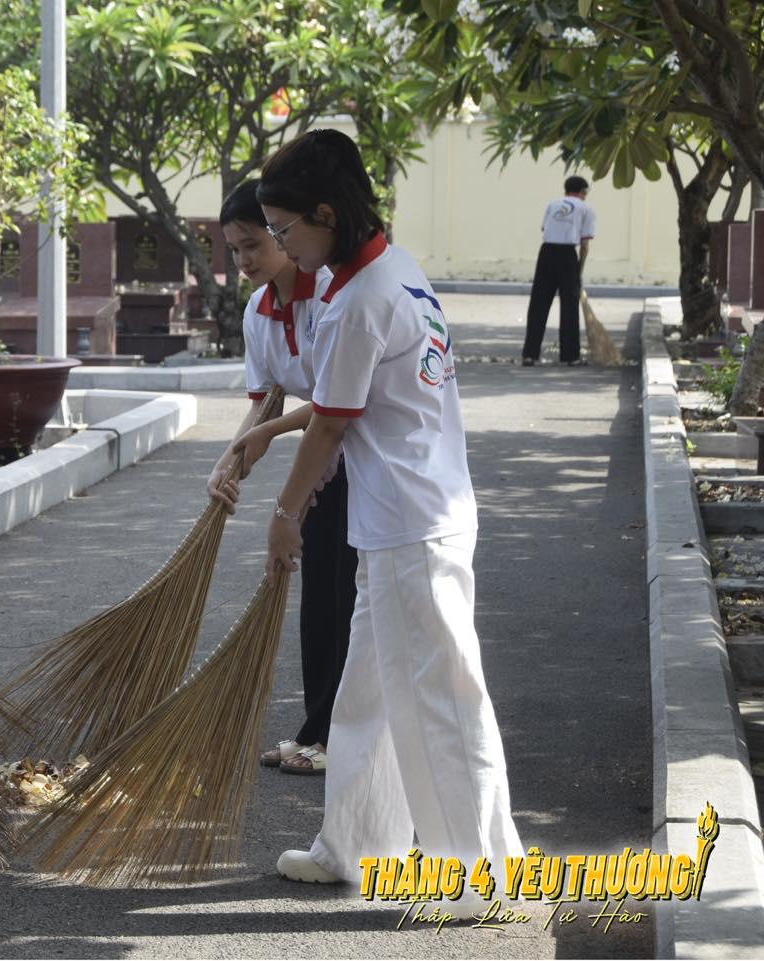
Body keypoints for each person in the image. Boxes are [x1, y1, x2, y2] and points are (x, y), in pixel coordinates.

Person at [250, 129, 523, 885]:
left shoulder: (361, 299)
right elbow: (334, 413)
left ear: (326, 214)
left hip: (411, 525)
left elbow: (331, 421)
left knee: (441, 700)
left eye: (283, 230)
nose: (280, 246)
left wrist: (283, 516)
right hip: (413, 515)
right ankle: (356, 842)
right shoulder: (391, 271)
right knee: (365, 693)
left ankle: (480, 873)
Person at [207, 178, 356, 777]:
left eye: (252, 245)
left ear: (283, 235)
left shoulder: (331, 294)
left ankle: (340, 735)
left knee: (348, 595)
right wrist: (230, 463)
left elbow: (337, 402)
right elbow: (265, 403)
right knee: (319, 596)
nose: (243, 260)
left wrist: (267, 439)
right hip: (321, 459)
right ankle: (316, 732)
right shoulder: (258, 310)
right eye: (234, 249)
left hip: (364, 460)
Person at [522, 175, 596, 366]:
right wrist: (579, 270)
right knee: (569, 306)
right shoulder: (586, 209)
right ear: (583, 192)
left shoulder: (552, 204)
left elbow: (545, 228)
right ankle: (570, 356)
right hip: (567, 255)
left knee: (539, 303)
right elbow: (585, 244)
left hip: (546, 252)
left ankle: (530, 354)